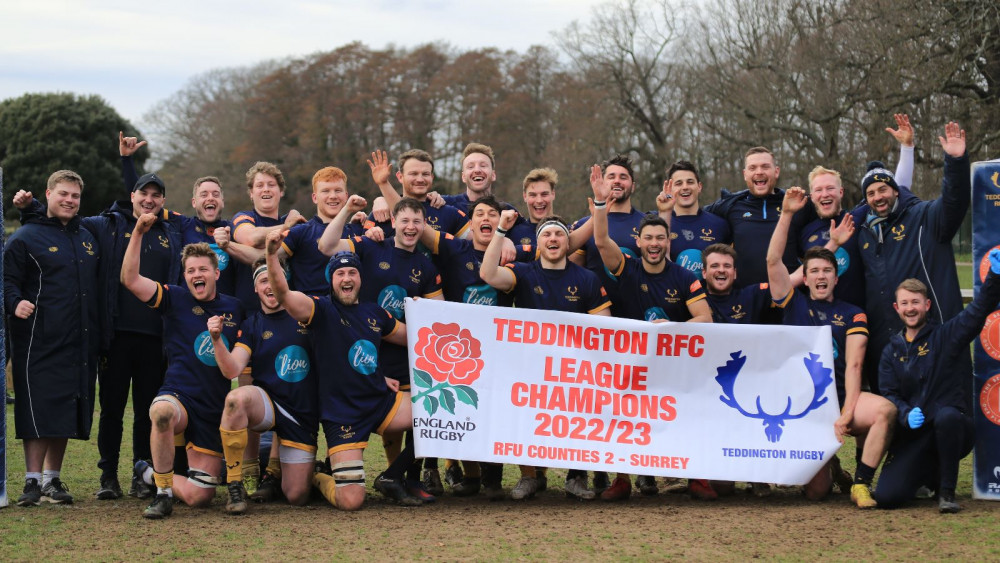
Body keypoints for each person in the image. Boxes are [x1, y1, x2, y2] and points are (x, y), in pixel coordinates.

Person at [14, 166, 183, 501]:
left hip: (155, 337)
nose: (148, 199)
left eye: (155, 195)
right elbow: (62, 224)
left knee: (147, 410)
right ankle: (108, 476)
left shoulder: (171, 233)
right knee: (112, 409)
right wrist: (30, 209)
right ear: (132, 196)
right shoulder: (106, 225)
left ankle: (141, 472)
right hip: (115, 336)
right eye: (143, 194)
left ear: (162, 201)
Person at [267, 229, 425, 508]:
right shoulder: (319, 309)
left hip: (380, 401)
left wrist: (428, 314)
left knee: (434, 414)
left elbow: (414, 337)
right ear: (331, 280)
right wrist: (271, 255)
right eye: (340, 274)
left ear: (360, 279)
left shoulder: (374, 312)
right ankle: (319, 476)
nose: (347, 278)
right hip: (344, 415)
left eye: (352, 273)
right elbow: (283, 294)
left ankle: (393, 475)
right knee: (350, 500)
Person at [590, 164, 713, 501]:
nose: (655, 243)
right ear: (638, 241)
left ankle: (695, 477)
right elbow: (600, 240)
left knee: (686, 413)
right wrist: (601, 204)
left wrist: (671, 329)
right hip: (630, 361)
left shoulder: (682, 276)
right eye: (649, 238)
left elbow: (705, 318)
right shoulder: (626, 267)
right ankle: (622, 479)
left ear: (667, 240)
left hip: (673, 361)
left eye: (661, 237)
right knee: (623, 413)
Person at [768, 187, 896, 508]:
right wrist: (786, 214)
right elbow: (773, 261)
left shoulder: (853, 313)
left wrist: (847, 413)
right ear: (805, 279)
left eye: (827, 271)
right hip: (804, 408)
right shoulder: (791, 303)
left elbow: (854, 366)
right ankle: (828, 465)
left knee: (884, 411)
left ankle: (862, 483)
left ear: (836, 279)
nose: (821, 276)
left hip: (840, 398)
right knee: (816, 493)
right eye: (814, 272)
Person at [318, 195, 444, 501]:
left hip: (403, 347)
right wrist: (348, 209)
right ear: (393, 223)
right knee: (391, 424)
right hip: (366, 350)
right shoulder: (372, 245)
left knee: (423, 415)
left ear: (424, 225)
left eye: (417, 221)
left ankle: (403, 478)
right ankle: (383, 473)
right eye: (405, 221)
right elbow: (326, 246)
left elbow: (437, 314)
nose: (411, 227)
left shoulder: (425, 266)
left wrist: (421, 311)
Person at [481, 209, 611, 500]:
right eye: (547, 235)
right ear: (539, 244)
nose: (553, 239)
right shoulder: (524, 273)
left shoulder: (587, 278)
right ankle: (529, 477)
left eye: (559, 234)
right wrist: (501, 231)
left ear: (568, 243)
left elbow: (606, 325)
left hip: (575, 368)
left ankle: (576, 477)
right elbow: (488, 274)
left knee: (579, 419)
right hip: (530, 365)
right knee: (524, 416)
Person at [122, 220, 244, 519]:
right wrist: (138, 232)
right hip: (178, 395)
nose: (196, 275)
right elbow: (130, 278)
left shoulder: (235, 309)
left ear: (216, 273)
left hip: (212, 408)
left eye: (202, 269)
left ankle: (148, 474)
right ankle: (162, 494)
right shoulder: (174, 298)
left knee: (199, 496)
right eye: (190, 271)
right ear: (184, 276)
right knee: (161, 412)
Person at [419, 196, 535, 500]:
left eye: (492, 214)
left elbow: (562, 244)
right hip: (459, 351)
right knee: (464, 409)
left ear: (501, 222)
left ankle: (494, 478)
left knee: (495, 410)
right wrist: (384, 187)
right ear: (470, 224)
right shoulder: (455, 249)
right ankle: (471, 476)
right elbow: (416, 226)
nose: (486, 218)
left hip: (500, 349)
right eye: (479, 214)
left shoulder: (513, 255)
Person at [874, 252, 1000, 513]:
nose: (911, 308)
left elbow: (977, 312)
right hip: (917, 434)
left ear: (927, 305)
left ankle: (946, 493)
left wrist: (995, 277)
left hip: (953, 428)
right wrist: (906, 413)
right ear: (897, 308)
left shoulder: (947, 336)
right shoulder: (890, 351)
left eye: (916, 302)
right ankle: (927, 477)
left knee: (947, 418)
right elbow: (889, 393)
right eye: (905, 303)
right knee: (887, 496)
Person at [6, 170, 100, 506]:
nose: (69, 200)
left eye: (75, 196)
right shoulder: (25, 237)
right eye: (63, 194)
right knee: (38, 408)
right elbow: (7, 281)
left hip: (79, 340)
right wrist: (15, 302)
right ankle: (31, 481)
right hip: (37, 339)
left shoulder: (87, 235)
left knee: (65, 407)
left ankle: (52, 480)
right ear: (47, 194)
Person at [857, 121, 970, 394]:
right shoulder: (863, 233)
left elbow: (954, 203)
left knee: (943, 417)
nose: (877, 197)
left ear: (896, 190)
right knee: (895, 420)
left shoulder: (925, 216)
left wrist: (955, 162)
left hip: (934, 337)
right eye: (870, 193)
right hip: (889, 346)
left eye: (883, 189)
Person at [209, 258, 319, 514]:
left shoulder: (306, 316)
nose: (269, 285)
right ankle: (235, 484)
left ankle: (317, 475)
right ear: (255, 289)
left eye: (275, 278)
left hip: (300, 414)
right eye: (263, 281)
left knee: (296, 495)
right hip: (267, 405)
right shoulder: (251, 326)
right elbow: (232, 369)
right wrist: (217, 341)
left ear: (284, 282)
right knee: (236, 399)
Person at [704, 147, 800, 287]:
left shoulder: (796, 204)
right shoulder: (731, 206)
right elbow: (695, 215)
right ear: (745, 174)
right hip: (746, 300)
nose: (759, 172)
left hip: (789, 296)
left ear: (776, 171)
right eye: (753, 168)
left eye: (765, 167)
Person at [230, 161, 307, 313]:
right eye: (259, 185)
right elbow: (252, 238)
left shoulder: (296, 224)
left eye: (271, 185)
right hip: (250, 316)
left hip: (288, 315)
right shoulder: (243, 218)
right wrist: (287, 226)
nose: (266, 189)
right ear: (251, 193)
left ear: (281, 191)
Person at [279, 166, 366, 296]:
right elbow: (267, 257)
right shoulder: (300, 232)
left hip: (350, 310)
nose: (333, 196)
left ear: (346, 195)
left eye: (338, 190)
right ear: (314, 197)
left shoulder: (359, 229)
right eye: (325, 191)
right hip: (311, 311)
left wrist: (379, 202)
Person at [367, 149, 469, 239]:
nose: (420, 179)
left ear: (432, 177)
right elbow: (362, 250)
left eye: (425, 174)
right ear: (400, 177)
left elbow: (477, 247)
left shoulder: (450, 214)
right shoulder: (381, 213)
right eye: (413, 174)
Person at [662, 160, 731, 280]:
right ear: (670, 189)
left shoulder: (720, 225)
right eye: (678, 183)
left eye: (690, 182)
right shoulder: (660, 222)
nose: (685, 187)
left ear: (699, 186)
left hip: (708, 298)